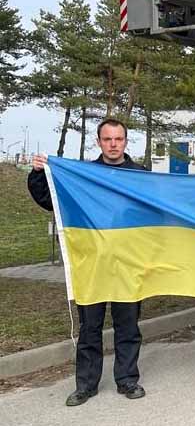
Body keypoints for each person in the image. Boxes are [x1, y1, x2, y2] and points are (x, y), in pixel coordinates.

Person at [26, 119, 147, 406]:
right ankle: (86, 385)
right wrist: (38, 173)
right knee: (89, 328)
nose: (113, 144)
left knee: (128, 327)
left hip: (128, 266)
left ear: (125, 142)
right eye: (108, 139)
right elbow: (49, 199)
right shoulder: (83, 175)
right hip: (91, 265)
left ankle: (127, 380)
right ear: (99, 141)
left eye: (118, 139)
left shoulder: (140, 176)